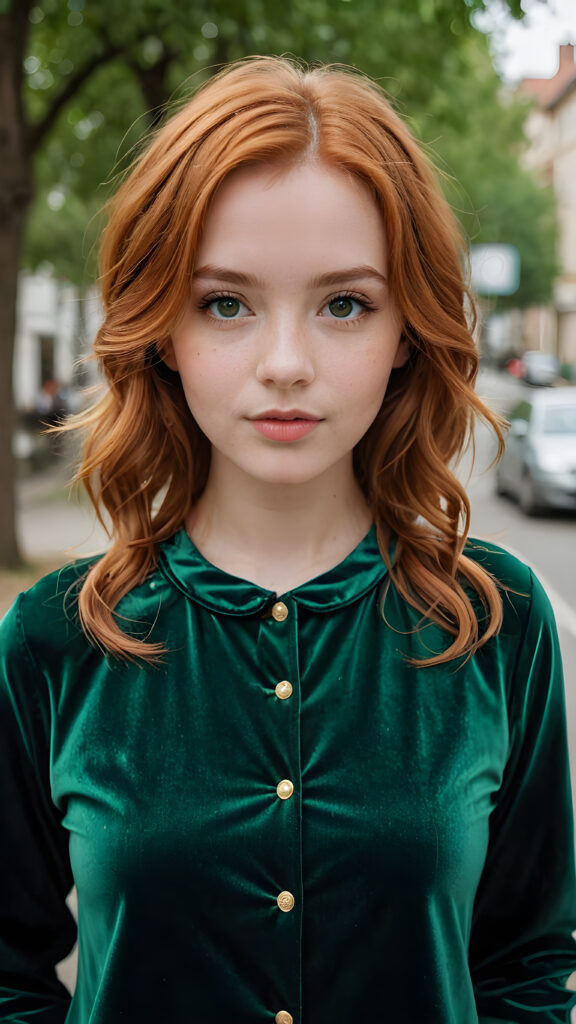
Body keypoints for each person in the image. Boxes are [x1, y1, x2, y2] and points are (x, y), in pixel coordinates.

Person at [0, 56, 575, 1024]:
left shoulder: (498, 622)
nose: (284, 364)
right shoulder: (55, 639)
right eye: (225, 302)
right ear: (161, 331)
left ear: (406, 331)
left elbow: (527, 966)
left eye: (344, 303)